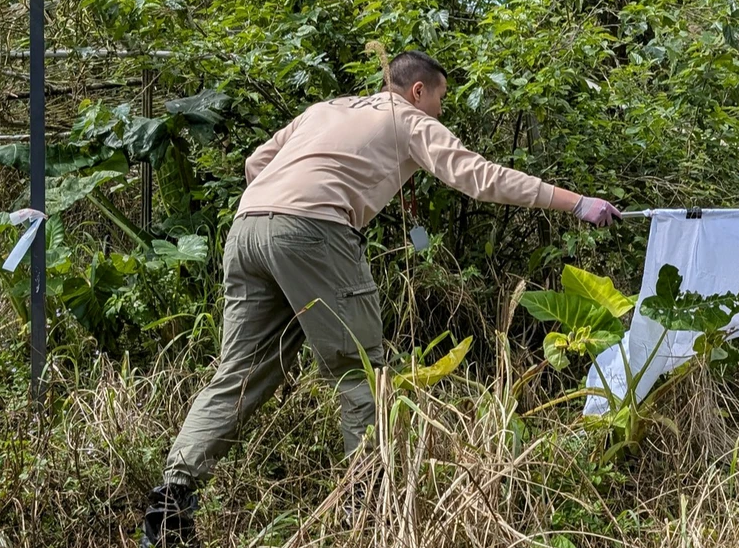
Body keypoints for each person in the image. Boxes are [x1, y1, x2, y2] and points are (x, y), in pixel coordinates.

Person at [141, 51, 621, 546]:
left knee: (238, 374)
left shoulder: (326, 109)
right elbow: (481, 178)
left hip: (247, 229)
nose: (439, 111)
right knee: (363, 372)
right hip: (314, 231)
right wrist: (577, 203)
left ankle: (170, 504)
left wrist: (283, 211)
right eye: (440, 99)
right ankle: (367, 512)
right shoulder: (411, 121)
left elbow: (255, 163)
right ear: (418, 91)